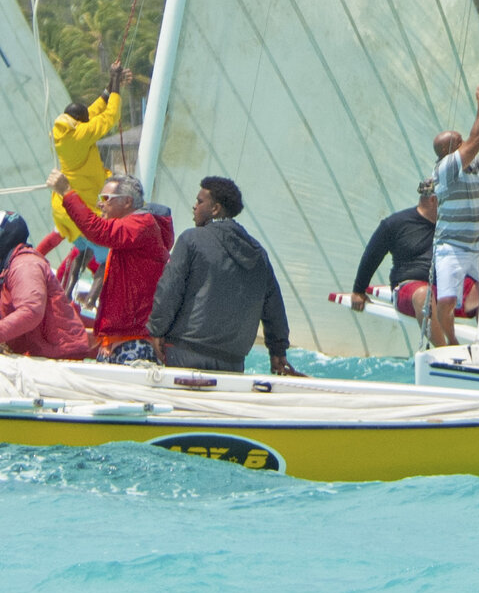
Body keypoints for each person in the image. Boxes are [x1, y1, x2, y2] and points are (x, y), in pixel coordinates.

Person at [148, 175, 299, 375]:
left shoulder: (191, 240)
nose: (194, 206)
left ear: (215, 209)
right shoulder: (259, 253)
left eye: (200, 201)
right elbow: (274, 308)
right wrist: (277, 351)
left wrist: (156, 330)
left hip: (185, 351)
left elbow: (169, 290)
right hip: (232, 361)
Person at [48, 166, 173, 362]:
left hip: (134, 342)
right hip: (118, 340)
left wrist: (67, 192)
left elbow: (97, 230)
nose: (100, 204)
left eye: (106, 199)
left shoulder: (140, 225)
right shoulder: (130, 231)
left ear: (127, 202)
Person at [428, 83, 479, 349]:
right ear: (449, 151)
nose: (466, 144)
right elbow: (475, 141)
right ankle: (452, 342)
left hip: (478, 247)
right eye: (459, 142)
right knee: (446, 300)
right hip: (453, 248)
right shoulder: (446, 167)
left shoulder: (472, 166)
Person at [0, 211, 92, 359]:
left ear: (6, 235)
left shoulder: (25, 265)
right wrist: (3, 339)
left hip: (57, 355)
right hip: (43, 354)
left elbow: (31, 312)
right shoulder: (10, 266)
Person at [48, 64, 125, 262]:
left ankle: (72, 290)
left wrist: (110, 86)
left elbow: (92, 111)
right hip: (85, 208)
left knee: (82, 254)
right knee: (110, 255)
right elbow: (110, 117)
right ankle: (94, 294)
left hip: (64, 211)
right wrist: (116, 81)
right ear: (80, 122)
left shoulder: (66, 130)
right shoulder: (80, 135)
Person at [350, 177, 439, 327]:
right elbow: (372, 255)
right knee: (424, 295)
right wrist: (358, 290)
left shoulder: (452, 225)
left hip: (443, 289)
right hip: (409, 288)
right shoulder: (395, 224)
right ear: (433, 200)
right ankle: (444, 348)